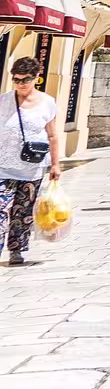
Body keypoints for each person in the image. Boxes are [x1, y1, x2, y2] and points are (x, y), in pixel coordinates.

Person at [1, 57, 60, 265]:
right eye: (16, 79)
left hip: (32, 168)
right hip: (3, 166)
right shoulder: (3, 100)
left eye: (25, 80)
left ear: (36, 78)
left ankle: (16, 250)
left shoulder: (47, 102)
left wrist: (55, 164)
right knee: (0, 208)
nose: (20, 84)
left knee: (22, 210)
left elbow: (52, 135)